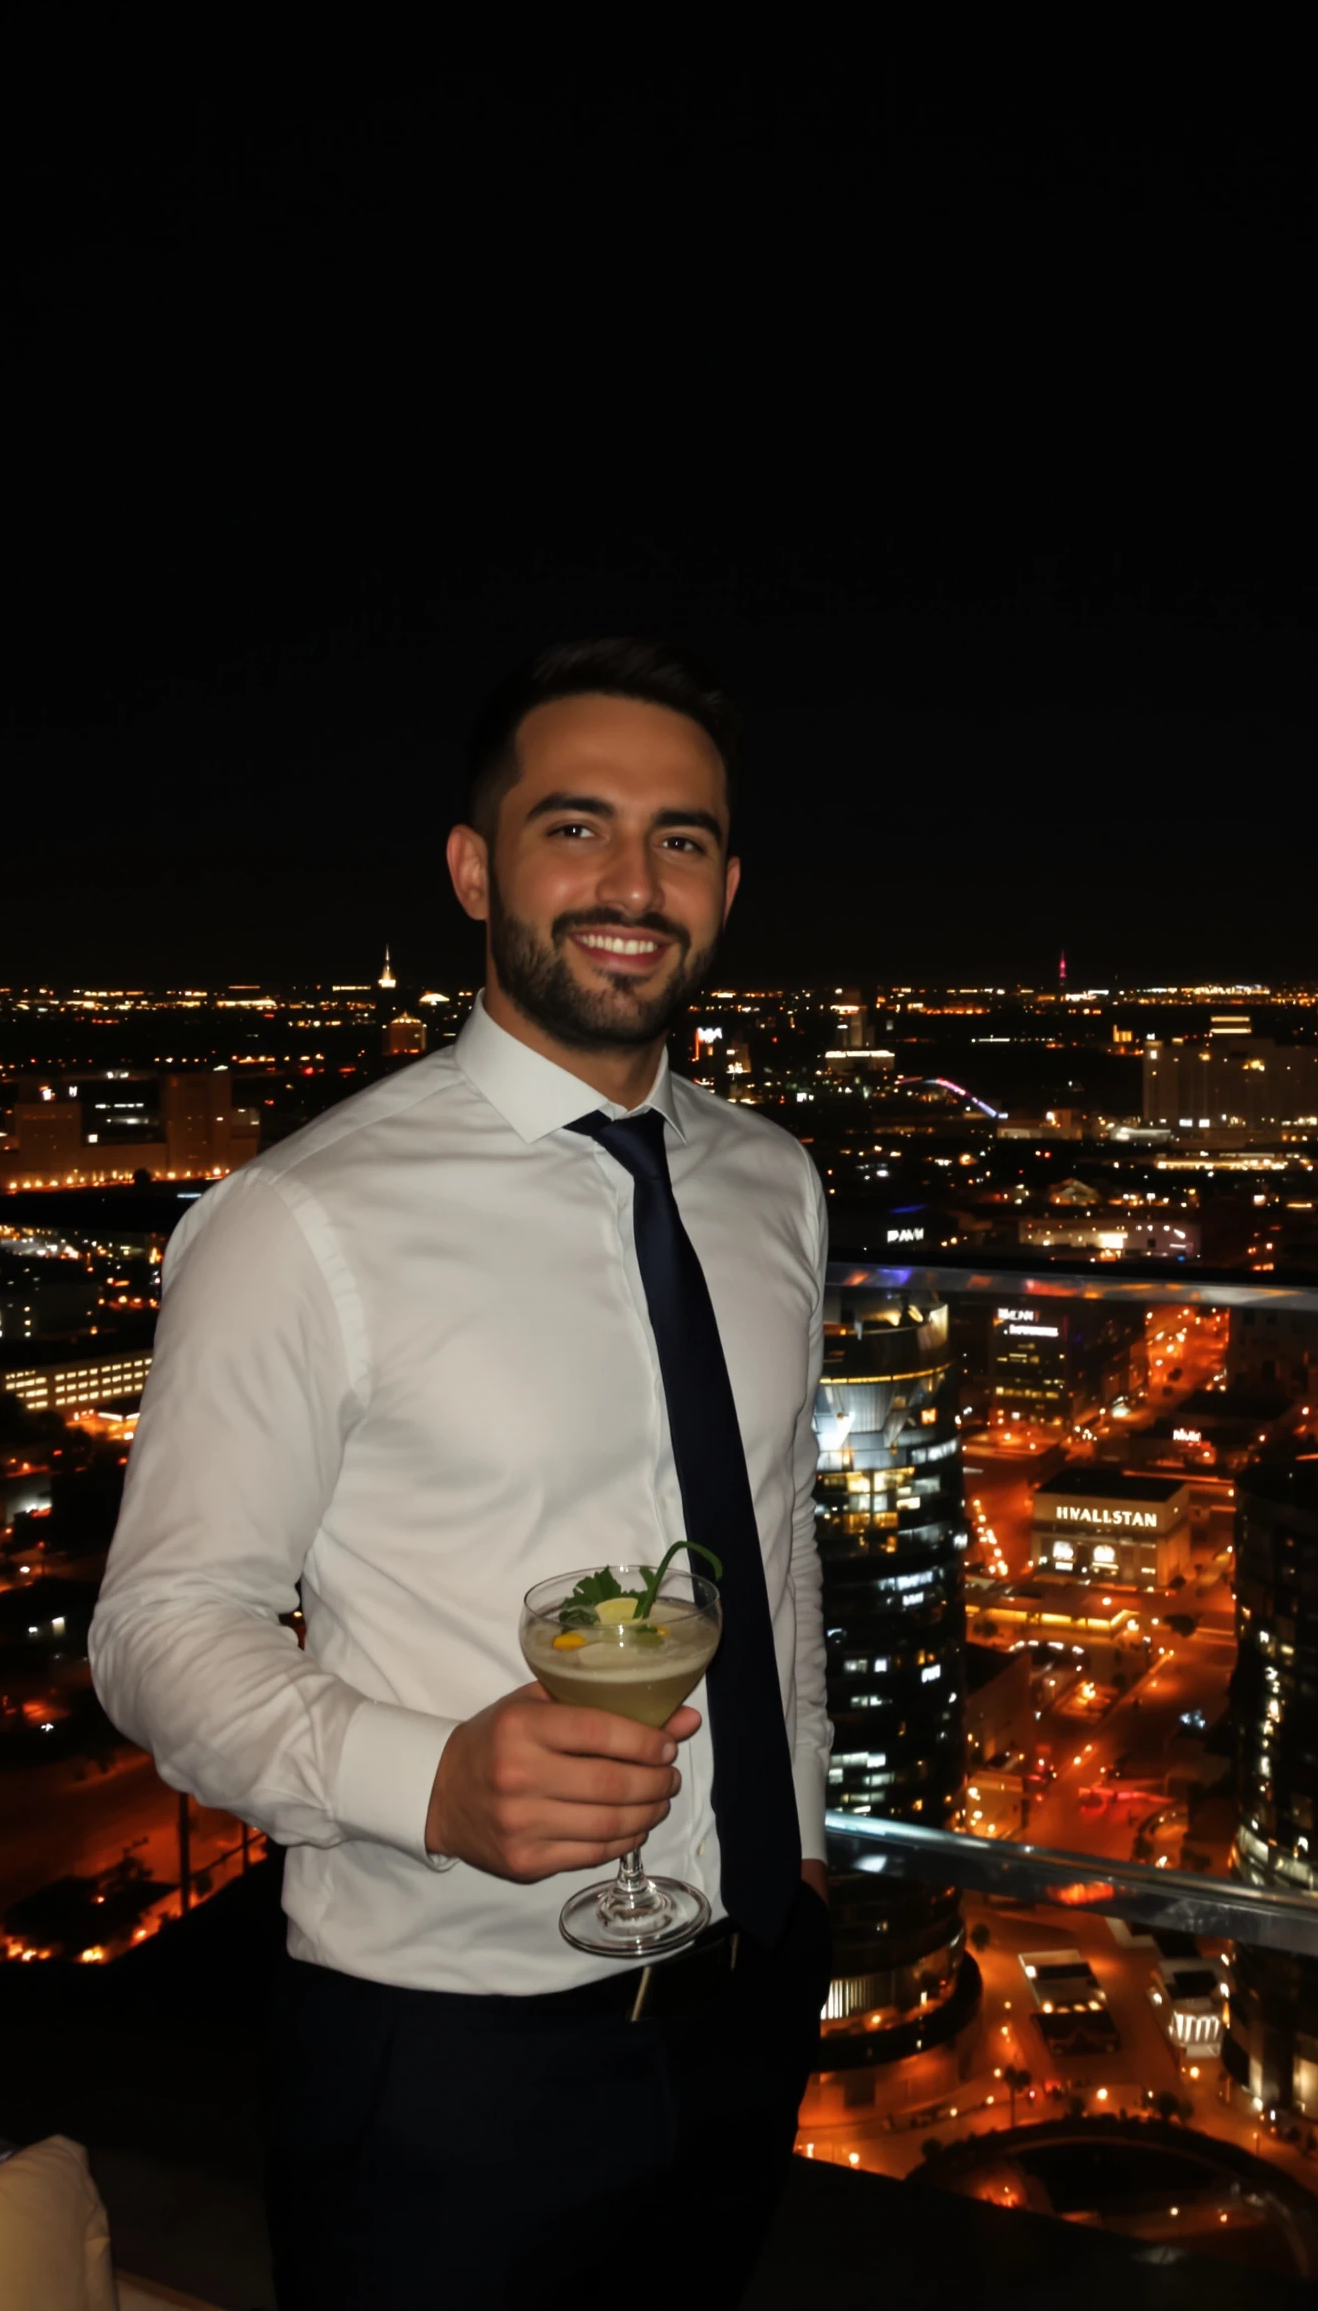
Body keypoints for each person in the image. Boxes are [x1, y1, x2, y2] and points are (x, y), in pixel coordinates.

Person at [90, 637, 834, 2309]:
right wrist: (420, 1779)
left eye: (683, 839)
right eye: (575, 828)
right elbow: (158, 1626)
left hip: (746, 1999)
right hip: (446, 2058)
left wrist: (791, 1850)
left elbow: (775, 1541)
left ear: (728, 885)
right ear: (474, 866)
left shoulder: (773, 1184)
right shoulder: (304, 1221)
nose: (633, 882)